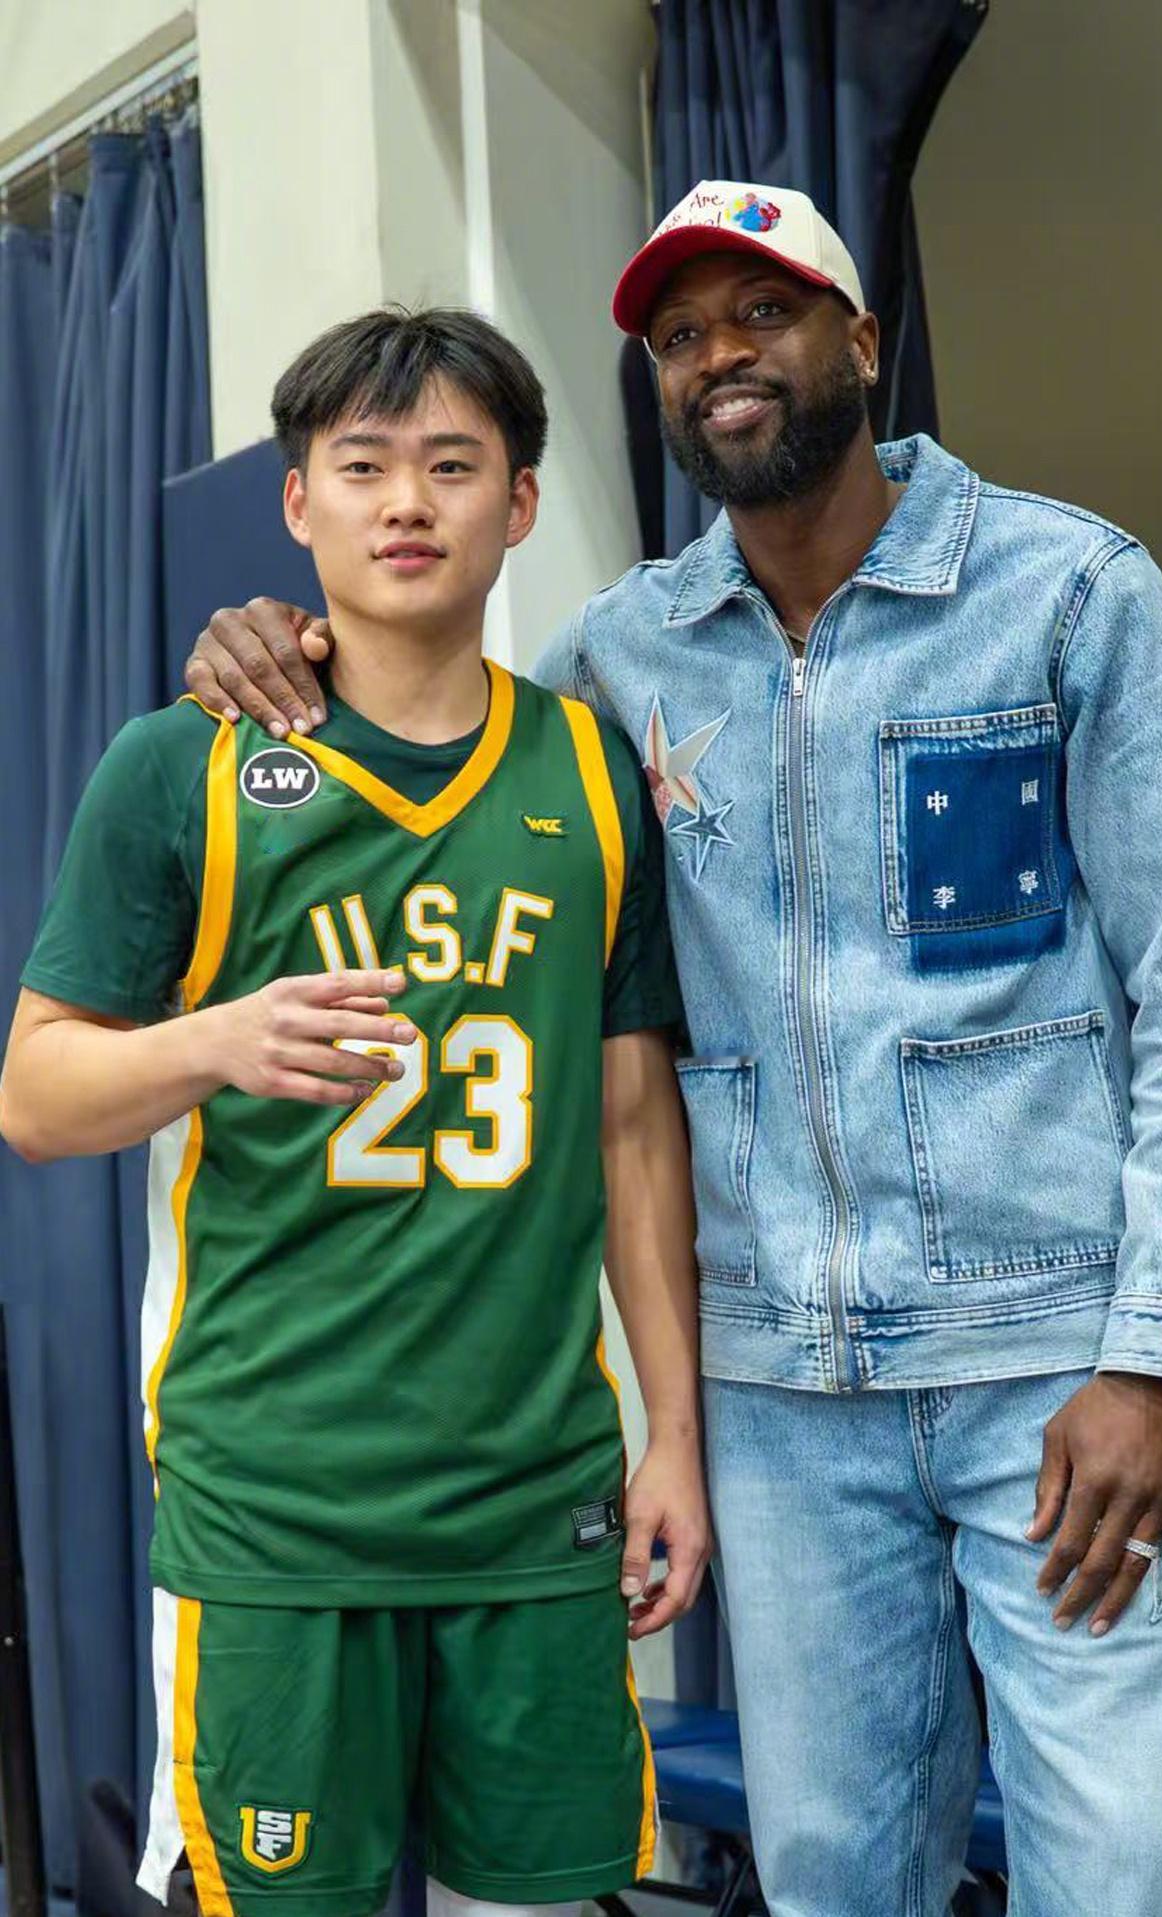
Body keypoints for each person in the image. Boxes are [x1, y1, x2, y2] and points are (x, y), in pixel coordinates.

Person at [184, 180, 1162, 1916]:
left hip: (1059, 1369)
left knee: (1109, 1874)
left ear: (863, 341)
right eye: (681, 337)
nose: (721, 357)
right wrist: (279, 645)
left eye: (763, 314)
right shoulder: (622, 657)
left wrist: (1160, 1360)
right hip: (782, 1395)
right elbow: (443, 741)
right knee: (833, 1876)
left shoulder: (1072, 593)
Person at [0, 307, 710, 1917]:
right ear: (298, 500)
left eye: (452, 466)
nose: (407, 503)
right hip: (280, 1507)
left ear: (518, 504)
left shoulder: (594, 774)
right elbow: (34, 1095)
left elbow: (632, 1130)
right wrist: (218, 1040)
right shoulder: (181, 766)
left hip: (539, 1503)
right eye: (364, 464)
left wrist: (674, 1434)